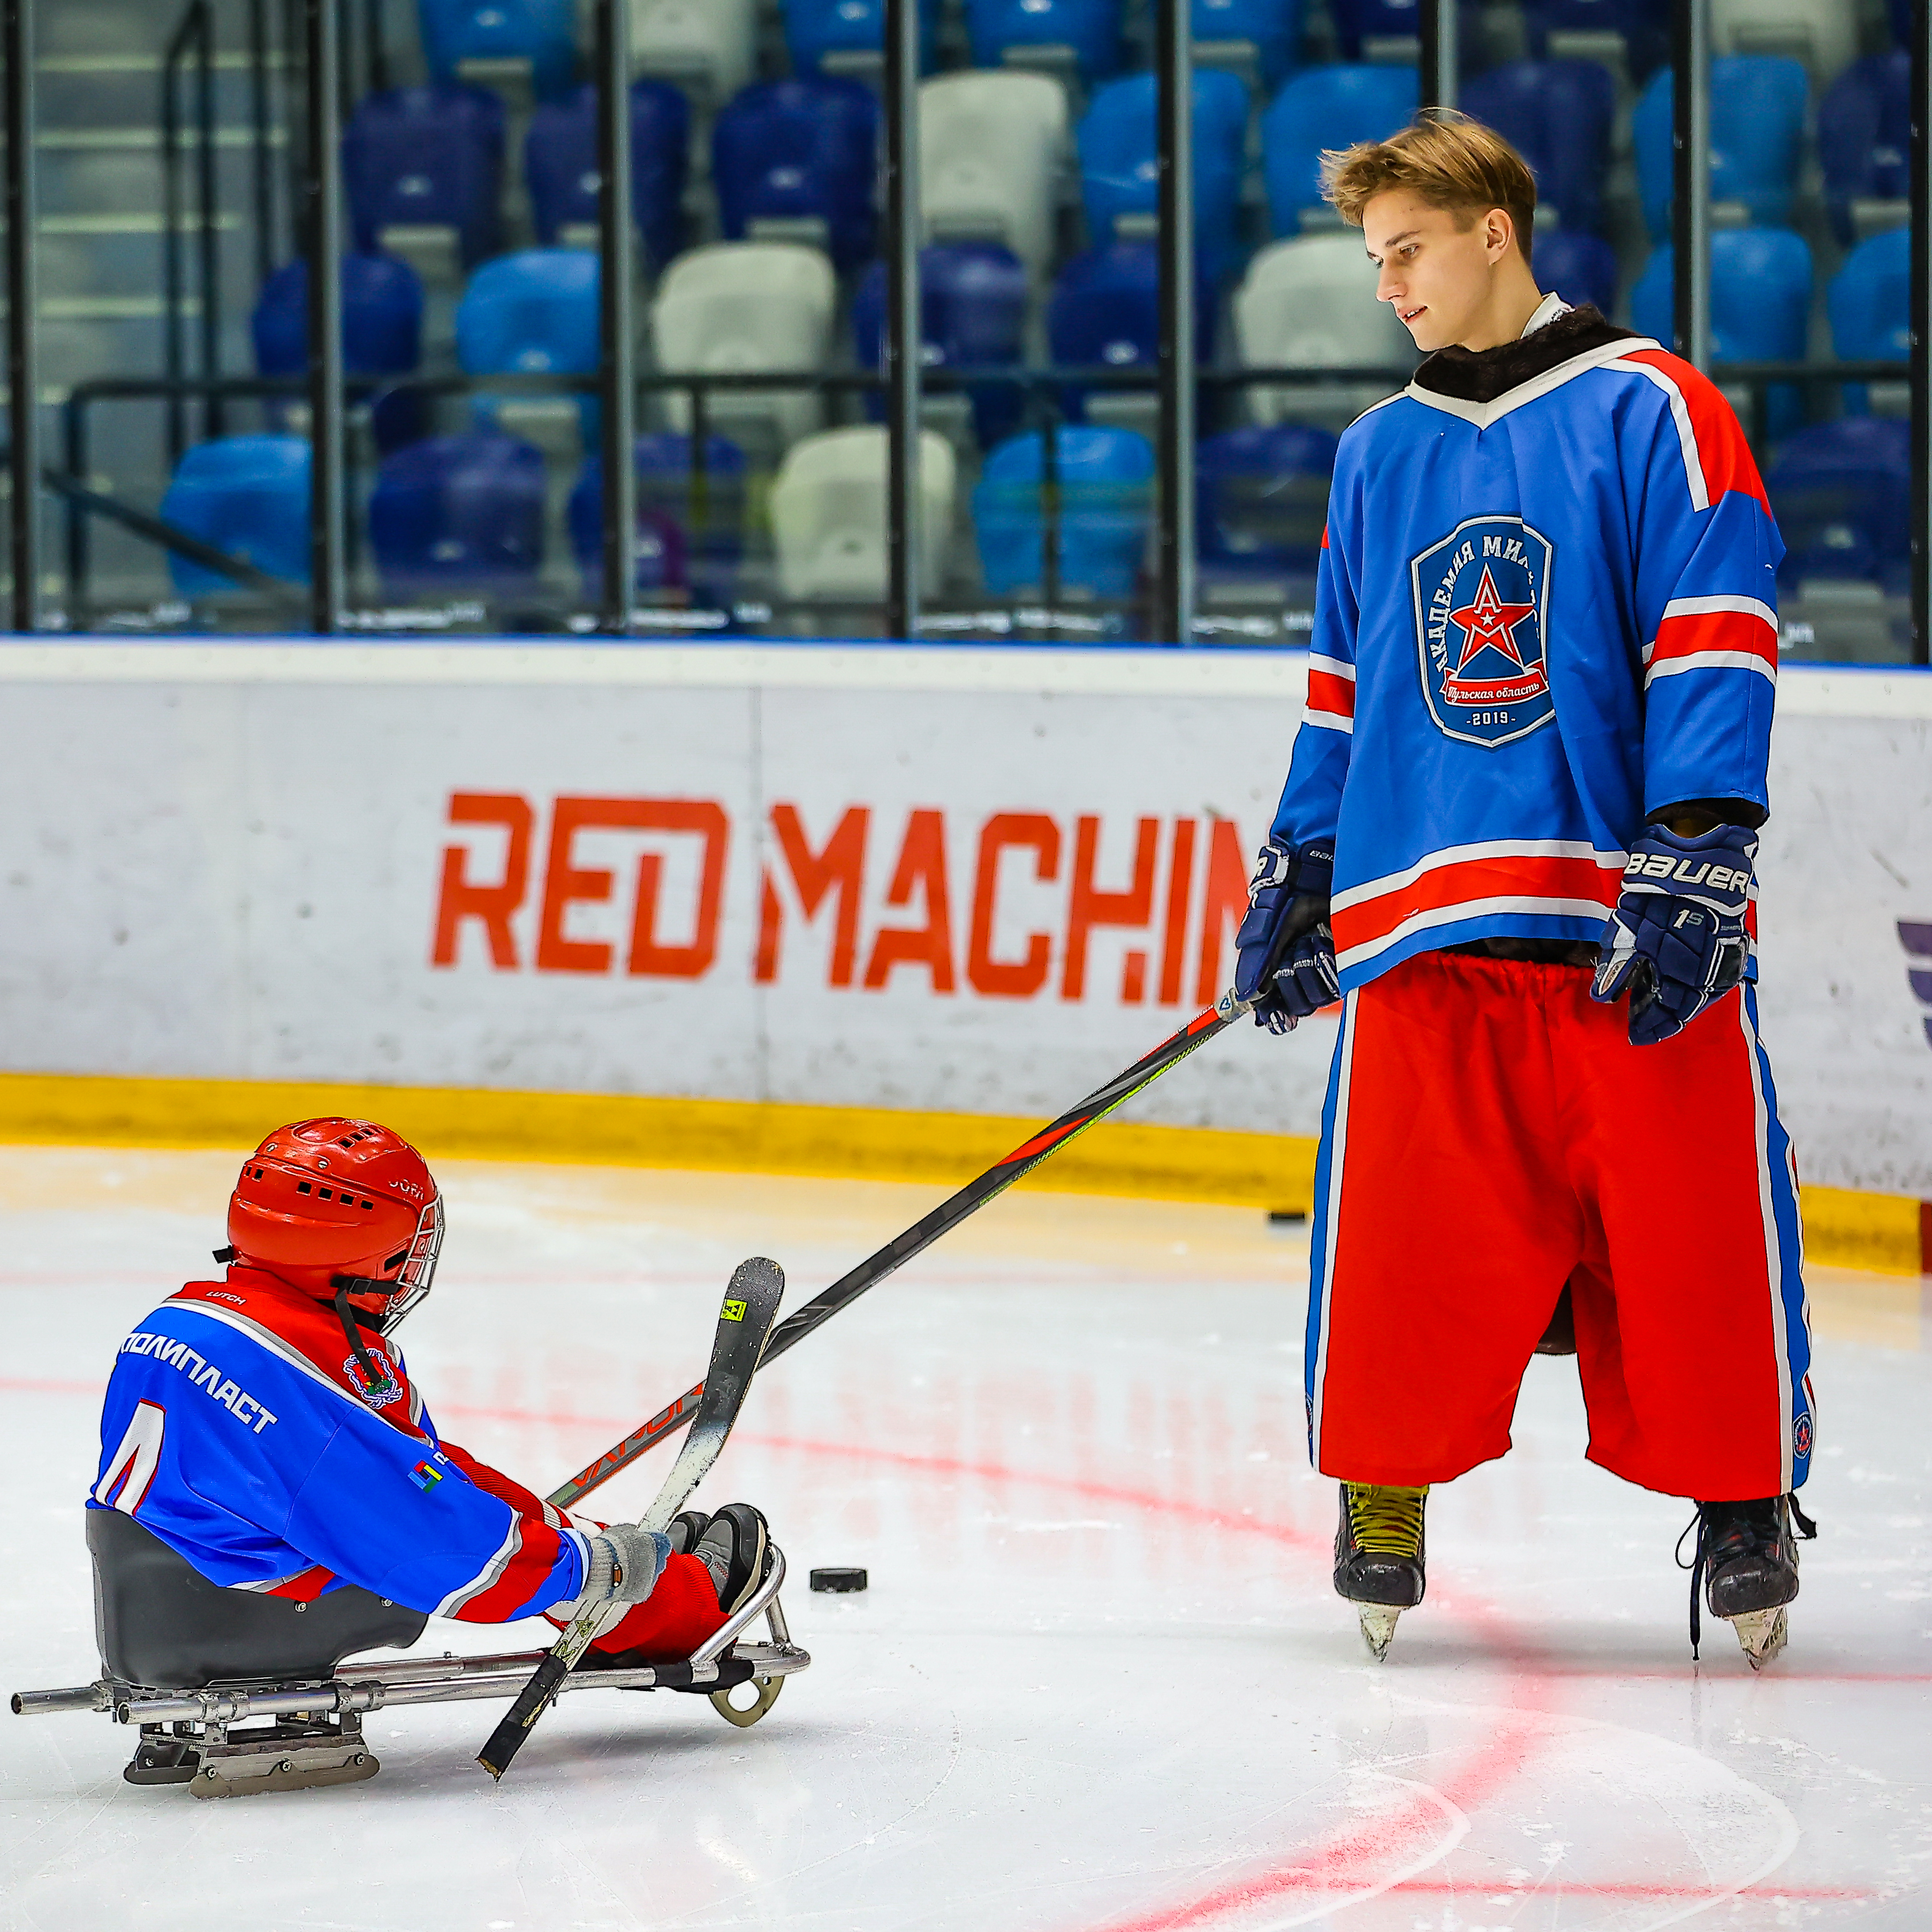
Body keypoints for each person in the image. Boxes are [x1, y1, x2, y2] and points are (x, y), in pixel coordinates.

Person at [1230, 112, 1815, 1668]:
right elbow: (1344, 687)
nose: (1388, 289)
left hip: (1628, 923)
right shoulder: (1378, 452)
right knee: (1401, 1245)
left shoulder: (1653, 408)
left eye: (1407, 251)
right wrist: (1302, 866)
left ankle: (1746, 1501)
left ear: (1496, 229)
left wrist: (1698, 842)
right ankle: (1384, 1488)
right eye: (1374, 263)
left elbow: (1716, 619)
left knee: (1697, 1233)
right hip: (1429, 920)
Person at [88, 1116, 770, 1684]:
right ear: (363, 1254)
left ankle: (605, 1555)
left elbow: (413, 1467)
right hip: (250, 1607)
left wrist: (559, 1529)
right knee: (491, 1541)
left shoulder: (181, 1321)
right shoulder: (319, 1371)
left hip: (170, 1585)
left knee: (454, 1487)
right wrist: (600, 1569)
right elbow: (439, 1553)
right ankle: (672, 1611)